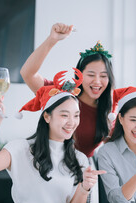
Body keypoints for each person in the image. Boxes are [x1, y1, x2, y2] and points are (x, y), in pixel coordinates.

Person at [0, 69, 105, 203]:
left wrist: (84, 188)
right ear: (47, 117)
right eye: (64, 115)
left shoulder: (79, 158)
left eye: (76, 116)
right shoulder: (20, 148)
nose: (72, 122)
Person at [20, 23, 115, 158]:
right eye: (91, 75)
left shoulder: (109, 108)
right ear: (79, 75)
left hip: (82, 173)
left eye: (104, 76)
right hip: (48, 167)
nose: (97, 81)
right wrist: (52, 39)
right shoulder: (61, 93)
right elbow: (27, 73)